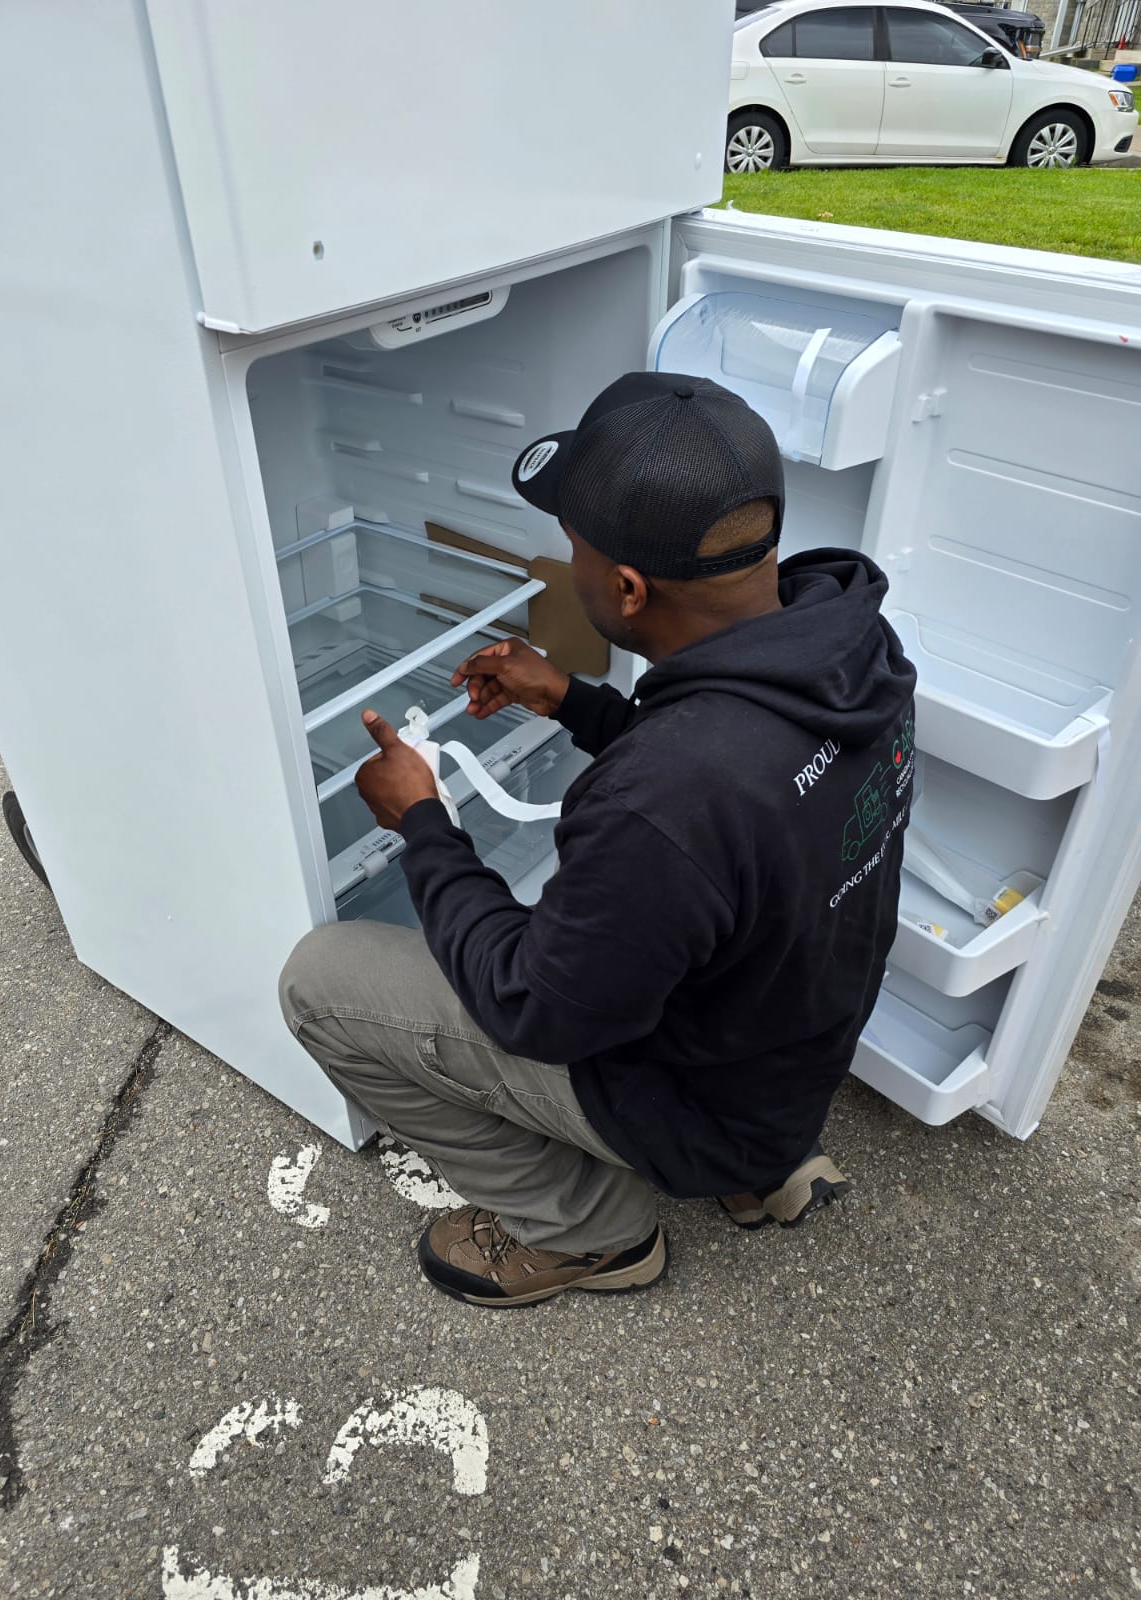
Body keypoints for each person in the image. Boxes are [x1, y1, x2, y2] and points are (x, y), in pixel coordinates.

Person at [280, 372, 916, 1309]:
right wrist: (574, 700)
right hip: (785, 1064)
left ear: (623, 586)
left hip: (699, 1098)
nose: (567, 564)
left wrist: (421, 821)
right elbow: (737, 806)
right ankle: (760, 1168)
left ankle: (592, 1233)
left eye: (572, 547)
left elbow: (530, 1005)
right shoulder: (856, 652)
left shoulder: (664, 799)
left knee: (319, 981)